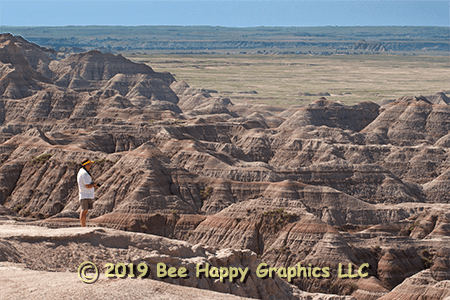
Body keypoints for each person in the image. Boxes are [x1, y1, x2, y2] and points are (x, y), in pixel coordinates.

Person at [77, 159, 99, 227]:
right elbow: (87, 186)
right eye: (89, 164)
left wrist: (93, 185)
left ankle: (83, 225)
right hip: (85, 195)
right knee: (84, 211)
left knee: (85, 211)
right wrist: (94, 185)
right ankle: (83, 226)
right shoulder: (84, 173)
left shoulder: (82, 172)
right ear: (86, 165)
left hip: (86, 194)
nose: (90, 165)